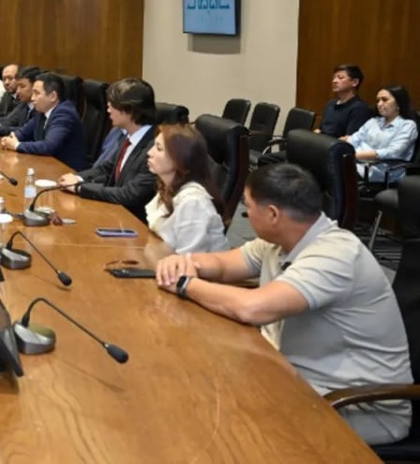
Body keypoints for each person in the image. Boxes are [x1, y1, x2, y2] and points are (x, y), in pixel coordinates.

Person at [155, 164, 410, 445]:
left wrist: (185, 284)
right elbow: (224, 266)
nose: (245, 213)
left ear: (273, 214)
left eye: (248, 206)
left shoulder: (336, 255)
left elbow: (252, 308)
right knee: (195, 384)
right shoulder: (279, 242)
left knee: (224, 426)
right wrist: (185, 262)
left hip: (358, 407)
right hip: (293, 378)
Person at [57, 78, 158, 223]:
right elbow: (107, 168)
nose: (108, 110)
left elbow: (129, 195)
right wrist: (76, 178)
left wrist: (80, 188)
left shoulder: (154, 148)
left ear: (129, 110)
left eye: (112, 106)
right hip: (114, 214)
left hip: (135, 223)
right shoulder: (127, 136)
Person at [143, 125, 227, 252]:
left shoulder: (193, 202)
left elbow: (189, 258)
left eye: (159, 149)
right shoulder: (169, 186)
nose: (149, 152)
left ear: (179, 159)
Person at [0, 73, 87, 170]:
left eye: (37, 93)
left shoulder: (64, 114)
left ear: (53, 96)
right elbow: (23, 133)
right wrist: (9, 139)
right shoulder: (42, 110)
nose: (32, 98)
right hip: (46, 165)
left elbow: (48, 146)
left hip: (66, 171)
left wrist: (16, 145)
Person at [345, 85, 418, 183]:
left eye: (384, 100)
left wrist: (359, 155)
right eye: (378, 100)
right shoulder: (374, 121)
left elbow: (394, 151)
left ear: (398, 103)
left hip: (382, 171)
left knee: (337, 172)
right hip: (356, 163)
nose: (379, 104)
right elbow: (354, 139)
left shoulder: (407, 125)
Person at [318, 64, 375, 137]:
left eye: (340, 78)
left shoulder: (359, 108)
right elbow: (321, 129)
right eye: (334, 78)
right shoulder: (330, 104)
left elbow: (350, 138)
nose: (334, 81)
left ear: (355, 82)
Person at [0, 65, 40, 136]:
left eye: (22, 86)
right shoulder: (24, 104)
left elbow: (28, 130)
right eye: (18, 86)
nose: (18, 91)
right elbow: (10, 121)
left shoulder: (40, 107)